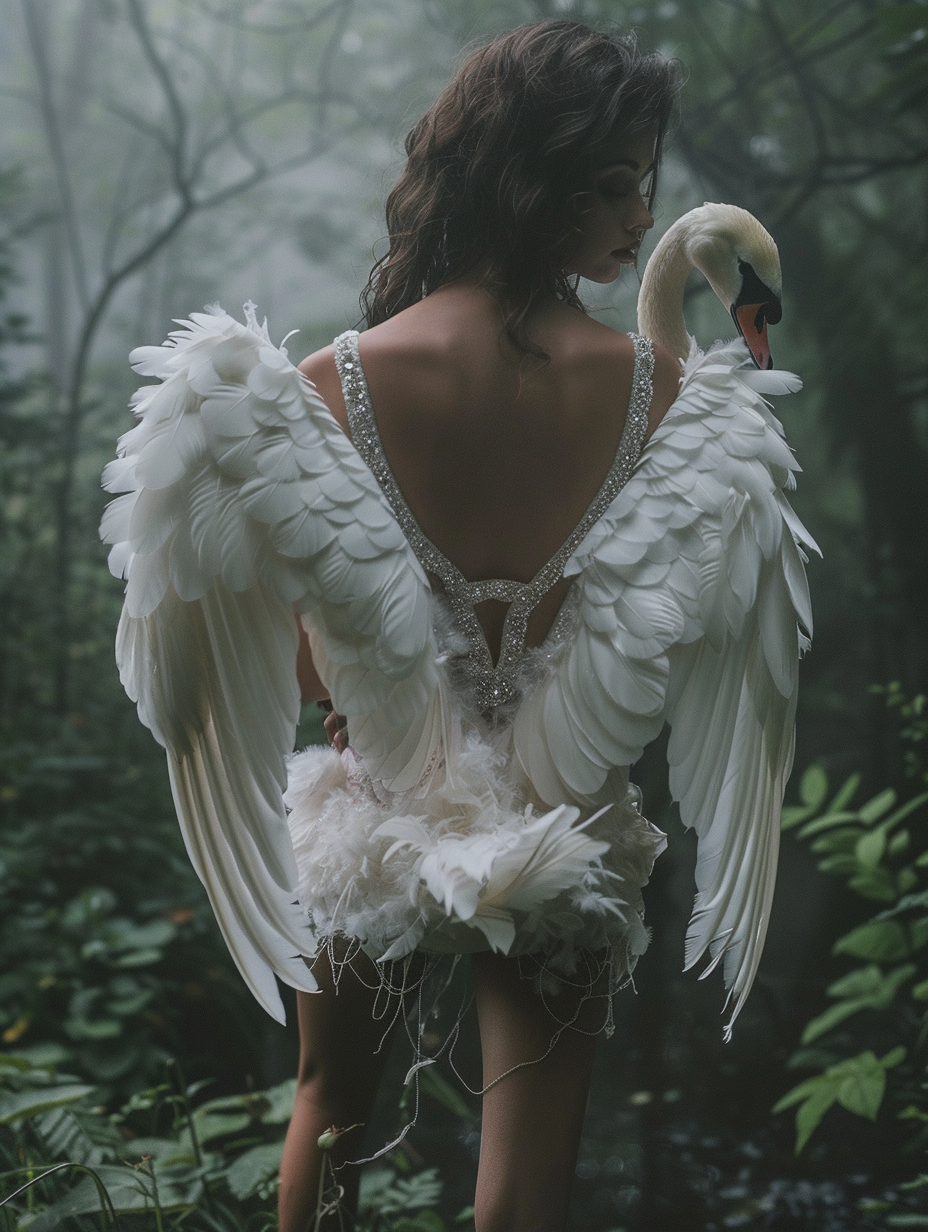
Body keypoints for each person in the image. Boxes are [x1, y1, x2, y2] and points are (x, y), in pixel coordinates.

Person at [102, 19, 814, 1232]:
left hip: (375, 807)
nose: (637, 220)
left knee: (327, 1108)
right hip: (558, 824)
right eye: (609, 185)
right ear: (529, 179)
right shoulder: (671, 404)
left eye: (640, 188)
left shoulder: (326, 385)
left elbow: (290, 650)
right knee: (527, 1184)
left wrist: (368, 671)